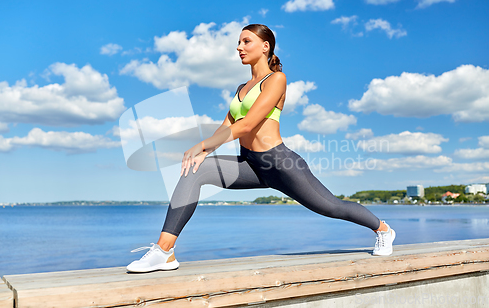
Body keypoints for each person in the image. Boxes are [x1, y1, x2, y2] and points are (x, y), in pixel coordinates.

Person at [126, 24, 396, 273]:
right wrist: (205, 151)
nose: (239, 47)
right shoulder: (241, 88)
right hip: (249, 165)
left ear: (265, 46)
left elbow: (248, 124)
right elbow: (226, 126)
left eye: (246, 41)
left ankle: (382, 229)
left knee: (332, 207)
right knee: (194, 170)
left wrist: (202, 144)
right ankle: (164, 250)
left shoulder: (276, 80)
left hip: (280, 164)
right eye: (238, 42)